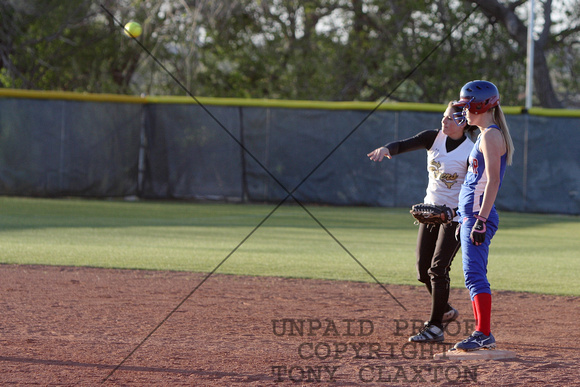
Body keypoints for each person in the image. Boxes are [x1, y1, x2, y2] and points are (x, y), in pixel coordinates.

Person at [367, 101, 477, 343]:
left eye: (449, 118)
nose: (443, 121)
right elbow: (404, 144)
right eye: (443, 116)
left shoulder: (471, 151)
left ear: (462, 122)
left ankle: (435, 327)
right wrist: (387, 149)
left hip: (455, 217)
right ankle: (446, 310)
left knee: (438, 269)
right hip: (430, 213)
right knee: (422, 270)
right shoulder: (433, 138)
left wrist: (456, 212)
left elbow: (474, 190)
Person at [451, 80, 515, 351]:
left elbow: (493, 182)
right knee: (472, 274)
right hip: (472, 214)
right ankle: (481, 331)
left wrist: (480, 220)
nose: (464, 111)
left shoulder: (490, 135)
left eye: (467, 105)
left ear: (480, 105)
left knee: (474, 275)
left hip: (479, 215)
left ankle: (483, 333)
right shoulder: (485, 134)